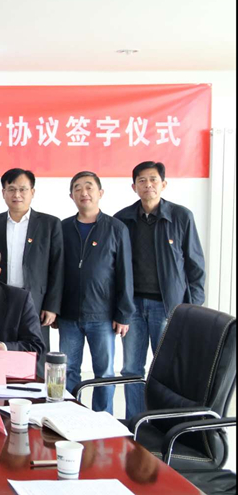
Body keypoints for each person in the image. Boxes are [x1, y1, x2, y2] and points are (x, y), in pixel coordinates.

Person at [115, 161, 206, 420]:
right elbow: (116, 268)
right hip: (132, 307)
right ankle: (135, 423)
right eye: (142, 180)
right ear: (134, 187)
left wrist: (192, 308)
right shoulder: (122, 219)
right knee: (131, 369)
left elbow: (195, 266)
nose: (148, 185)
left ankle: (163, 423)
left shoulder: (181, 216)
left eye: (153, 179)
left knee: (166, 371)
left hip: (168, 307)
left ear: (163, 184)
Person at [58, 171, 134, 414]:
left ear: (100, 193)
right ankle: (69, 416)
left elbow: (125, 273)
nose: (84, 192)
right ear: (71, 196)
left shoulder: (116, 228)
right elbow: (55, 272)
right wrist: (54, 309)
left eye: (89, 187)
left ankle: (103, 420)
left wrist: (124, 313)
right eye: (78, 188)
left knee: (104, 373)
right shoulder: (62, 228)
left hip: (103, 315)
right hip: (68, 315)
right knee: (68, 371)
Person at [0, 168, 63, 378]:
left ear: (32, 192)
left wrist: (52, 306)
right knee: (0, 350)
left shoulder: (50, 224)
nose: (17, 195)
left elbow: (57, 267)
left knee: (35, 354)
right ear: (3, 193)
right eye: (11, 189)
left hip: (35, 300)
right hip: (1, 297)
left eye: (22, 189)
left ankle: (36, 393)